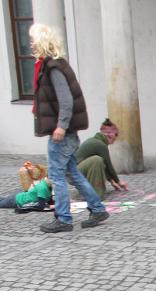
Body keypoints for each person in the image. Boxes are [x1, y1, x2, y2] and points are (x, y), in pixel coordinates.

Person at [30, 23, 108, 233]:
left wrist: (61, 126)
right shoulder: (54, 65)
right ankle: (98, 209)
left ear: (43, 42)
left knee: (56, 175)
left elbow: (66, 101)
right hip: (64, 132)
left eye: (34, 40)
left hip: (62, 133)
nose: (31, 44)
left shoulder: (53, 68)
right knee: (72, 173)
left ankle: (63, 219)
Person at [76, 119, 128, 198]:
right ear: (110, 135)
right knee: (97, 160)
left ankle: (88, 190)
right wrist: (118, 181)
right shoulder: (100, 145)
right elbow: (108, 165)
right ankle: (95, 195)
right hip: (75, 175)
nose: (116, 138)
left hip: (77, 172)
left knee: (99, 161)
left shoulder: (97, 141)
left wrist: (112, 181)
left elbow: (104, 166)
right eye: (116, 134)